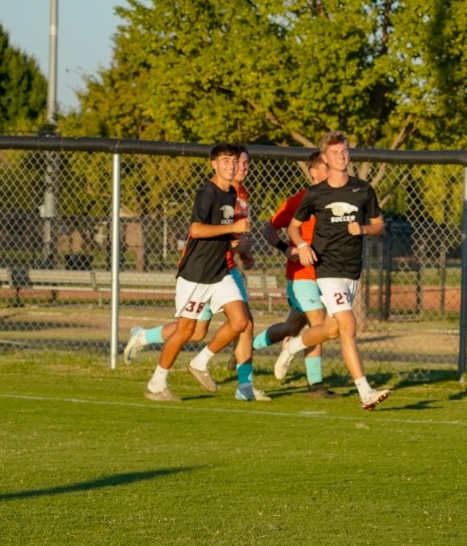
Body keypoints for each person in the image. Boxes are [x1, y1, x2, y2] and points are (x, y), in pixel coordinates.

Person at [273, 132, 390, 409]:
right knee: (349, 326)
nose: (341, 156)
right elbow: (293, 226)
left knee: (333, 329)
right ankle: (365, 392)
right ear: (325, 158)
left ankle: (293, 346)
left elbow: (379, 225)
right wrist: (301, 245)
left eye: (345, 151)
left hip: (352, 270)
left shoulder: (363, 190)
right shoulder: (316, 193)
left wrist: (362, 228)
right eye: (335, 153)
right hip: (326, 269)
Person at [144, 143, 262, 402]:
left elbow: (222, 228)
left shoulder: (232, 193)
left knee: (242, 321)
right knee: (186, 332)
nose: (232, 166)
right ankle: (157, 382)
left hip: (220, 271)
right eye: (226, 161)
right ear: (214, 164)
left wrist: (233, 240)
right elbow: (196, 230)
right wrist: (233, 229)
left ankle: (201, 361)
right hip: (196, 273)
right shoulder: (206, 192)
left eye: (234, 161)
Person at [124, 160, 255, 372]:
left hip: (225, 268)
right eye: (234, 161)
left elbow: (234, 234)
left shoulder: (240, 193)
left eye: (245, 163)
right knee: (194, 332)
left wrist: (243, 250)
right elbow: (202, 229)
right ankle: (144, 338)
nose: (240, 167)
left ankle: (244, 386)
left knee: (243, 322)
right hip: (203, 268)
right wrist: (234, 238)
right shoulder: (213, 191)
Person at [253, 151, 333, 397]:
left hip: (328, 275)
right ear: (314, 172)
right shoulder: (300, 200)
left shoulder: (339, 201)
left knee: (291, 327)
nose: (336, 171)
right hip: (302, 274)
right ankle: (315, 385)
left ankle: (247, 347)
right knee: (318, 324)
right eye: (327, 167)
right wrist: (286, 249)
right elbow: (269, 229)